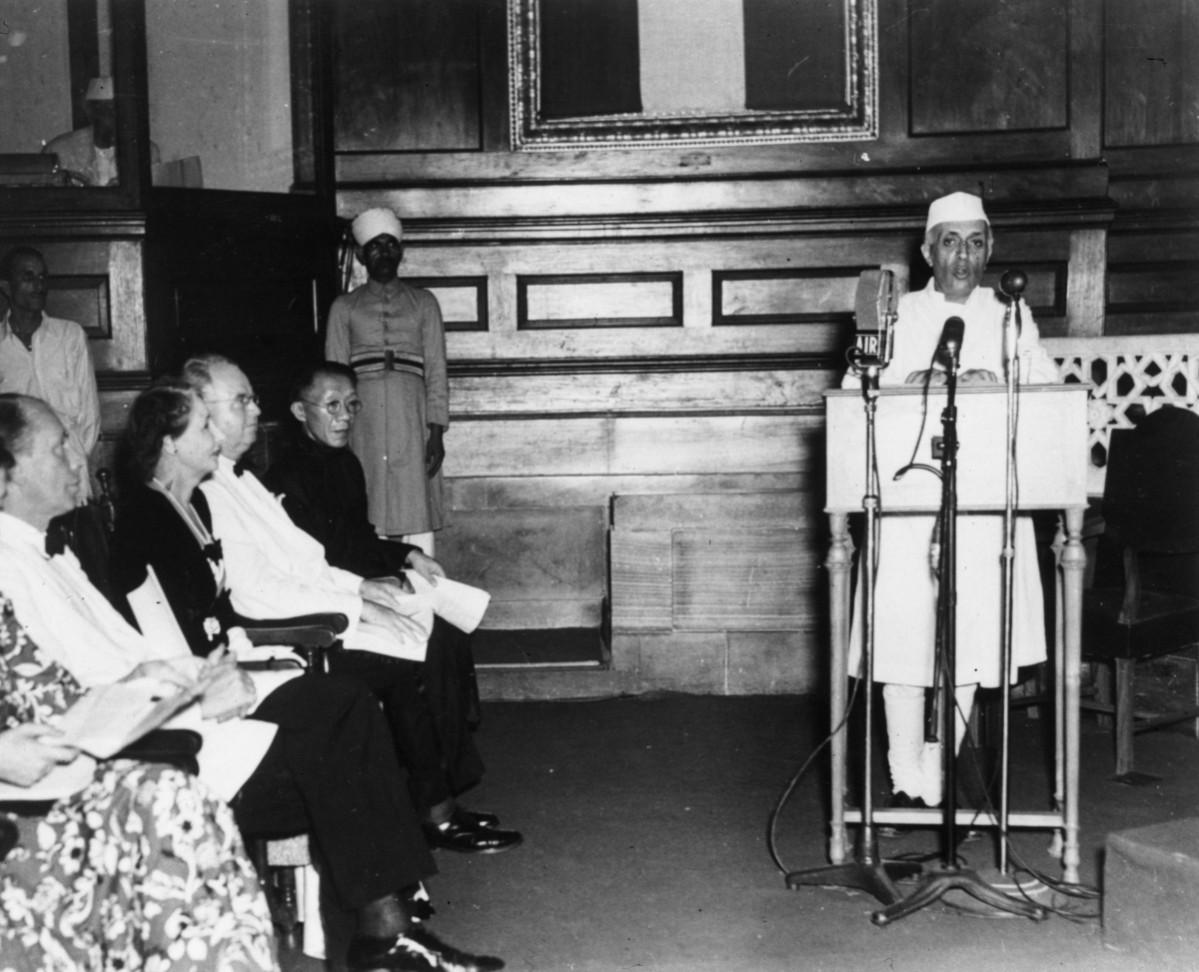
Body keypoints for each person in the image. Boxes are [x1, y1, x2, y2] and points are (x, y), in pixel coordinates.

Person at [0, 392, 504, 972]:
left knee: (339, 707)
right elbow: (68, 695)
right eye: (58, 447)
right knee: (339, 718)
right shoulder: (14, 569)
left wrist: (193, 676)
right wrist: (186, 693)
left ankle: (387, 930)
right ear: (8, 471)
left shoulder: (52, 551)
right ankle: (386, 929)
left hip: (162, 719)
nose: (76, 458)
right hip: (137, 756)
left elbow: (130, 655)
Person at [181, 354, 519, 855]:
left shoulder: (241, 478)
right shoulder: (213, 490)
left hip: (325, 607)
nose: (256, 411)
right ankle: (433, 811)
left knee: (430, 638)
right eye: (243, 400)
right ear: (199, 411)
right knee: (411, 659)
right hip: (295, 633)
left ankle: (436, 802)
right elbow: (259, 593)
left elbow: (311, 559)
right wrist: (359, 602)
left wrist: (369, 589)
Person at [0, 433, 278, 972]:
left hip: (51, 778)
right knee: (165, 803)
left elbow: (50, 691)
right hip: (18, 807)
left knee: (170, 793)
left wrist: (151, 687)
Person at [847, 191, 1059, 811]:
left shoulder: (1009, 312)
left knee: (970, 644)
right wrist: (908, 380)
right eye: (949, 242)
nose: (962, 256)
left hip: (985, 507)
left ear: (989, 250)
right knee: (904, 643)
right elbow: (853, 384)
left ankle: (937, 773)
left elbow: (1047, 383)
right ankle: (904, 773)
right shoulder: (899, 311)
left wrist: (1003, 380)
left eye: (974, 243)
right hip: (910, 505)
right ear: (926, 252)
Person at [326, 207, 448, 554]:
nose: (384, 252)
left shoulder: (424, 303)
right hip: (362, 420)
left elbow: (437, 370)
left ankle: (422, 606)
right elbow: (333, 378)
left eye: (391, 244)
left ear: (401, 251)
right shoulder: (343, 307)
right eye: (375, 246)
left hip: (413, 419)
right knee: (366, 508)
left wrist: (435, 432)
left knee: (417, 510)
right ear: (363, 255)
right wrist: (339, 435)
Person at [0, 246, 100, 498]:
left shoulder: (70, 336)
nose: (39, 285)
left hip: (69, 471)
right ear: (6, 286)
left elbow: (90, 417)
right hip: (16, 481)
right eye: (28, 277)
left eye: (43, 277)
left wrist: (67, 464)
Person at [41, 76, 159, 187]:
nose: (114, 117)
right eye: (106, 110)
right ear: (90, 111)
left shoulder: (146, 151)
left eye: (120, 110)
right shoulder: (60, 151)